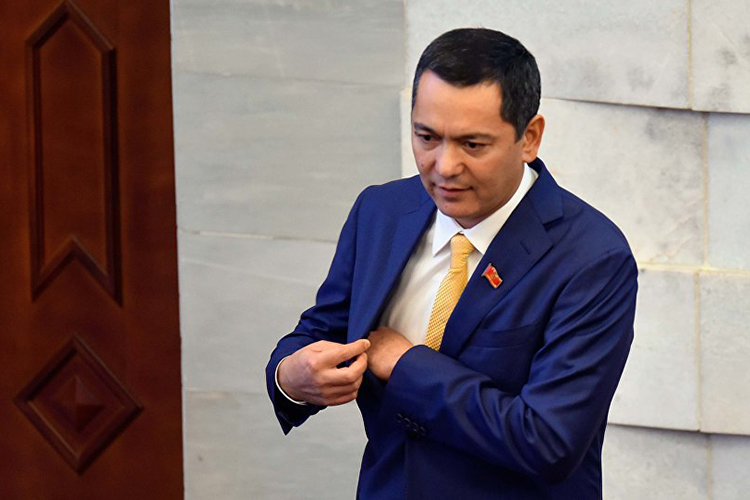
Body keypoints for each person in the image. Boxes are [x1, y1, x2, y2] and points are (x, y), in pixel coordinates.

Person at [266, 27, 638, 499]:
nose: (444, 166)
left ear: (530, 138)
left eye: (472, 145)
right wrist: (290, 378)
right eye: (426, 137)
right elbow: (321, 332)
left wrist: (405, 365)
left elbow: (547, 441)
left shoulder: (593, 258)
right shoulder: (380, 212)